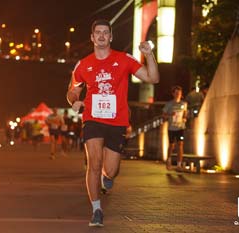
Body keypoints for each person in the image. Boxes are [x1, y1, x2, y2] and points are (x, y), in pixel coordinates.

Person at [66, 19, 159, 227]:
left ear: (111, 37)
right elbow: (72, 91)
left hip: (117, 120)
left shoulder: (124, 59)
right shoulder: (83, 64)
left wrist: (149, 54)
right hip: (92, 118)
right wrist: (75, 101)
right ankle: (96, 210)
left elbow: (152, 78)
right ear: (92, 37)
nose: (101, 36)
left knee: (111, 169)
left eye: (105, 33)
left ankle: (108, 177)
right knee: (94, 164)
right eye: (97, 32)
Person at [163, 86, 188, 171]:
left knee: (180, 144)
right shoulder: (169, 104)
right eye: (176, 93)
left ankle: (179, 164)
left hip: (180, 127)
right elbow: (164, 115)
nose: (178, 95)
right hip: (171, 128)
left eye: (180, 93)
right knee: (171, 145)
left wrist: (185, 118)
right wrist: (171, 115)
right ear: (173, 94)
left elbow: (185, 113)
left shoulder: (184, 104)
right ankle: (169, 160)